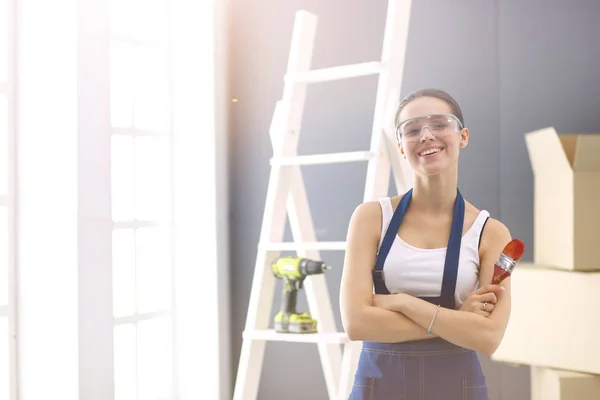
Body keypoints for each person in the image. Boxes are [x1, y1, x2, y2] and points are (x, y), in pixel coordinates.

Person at [339, 88, 513, 399]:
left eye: (440, 123)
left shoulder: (491, 233)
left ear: (463, 136)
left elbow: (488, 337)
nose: (427, 135)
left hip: (458, 388)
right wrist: (458, 317)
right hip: (378, 385)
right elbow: (356, 323)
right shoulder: (371, 219)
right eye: (413, 129)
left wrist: (402, 302)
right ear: (401, 148)